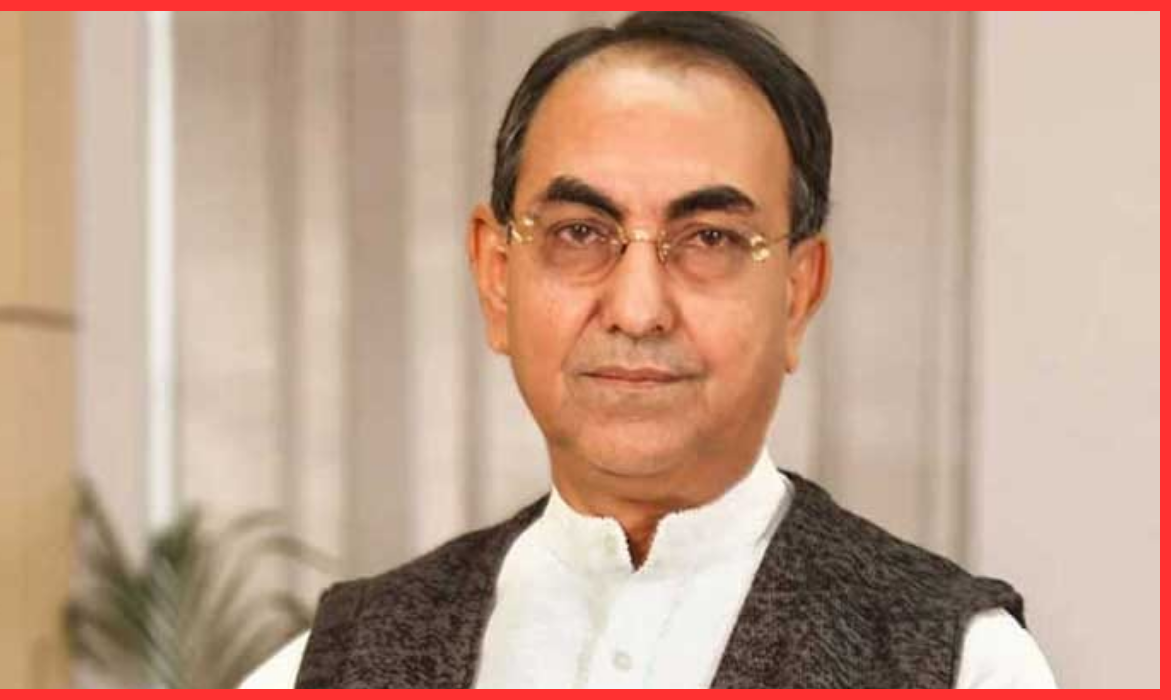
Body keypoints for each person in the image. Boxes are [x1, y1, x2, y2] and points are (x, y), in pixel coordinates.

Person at [244, 11, 1056, 688]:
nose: (638, 310)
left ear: (799, 292)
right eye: (579, 233)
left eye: (709, 238)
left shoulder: (962, 666)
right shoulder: (323, 670)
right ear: (496, 278)